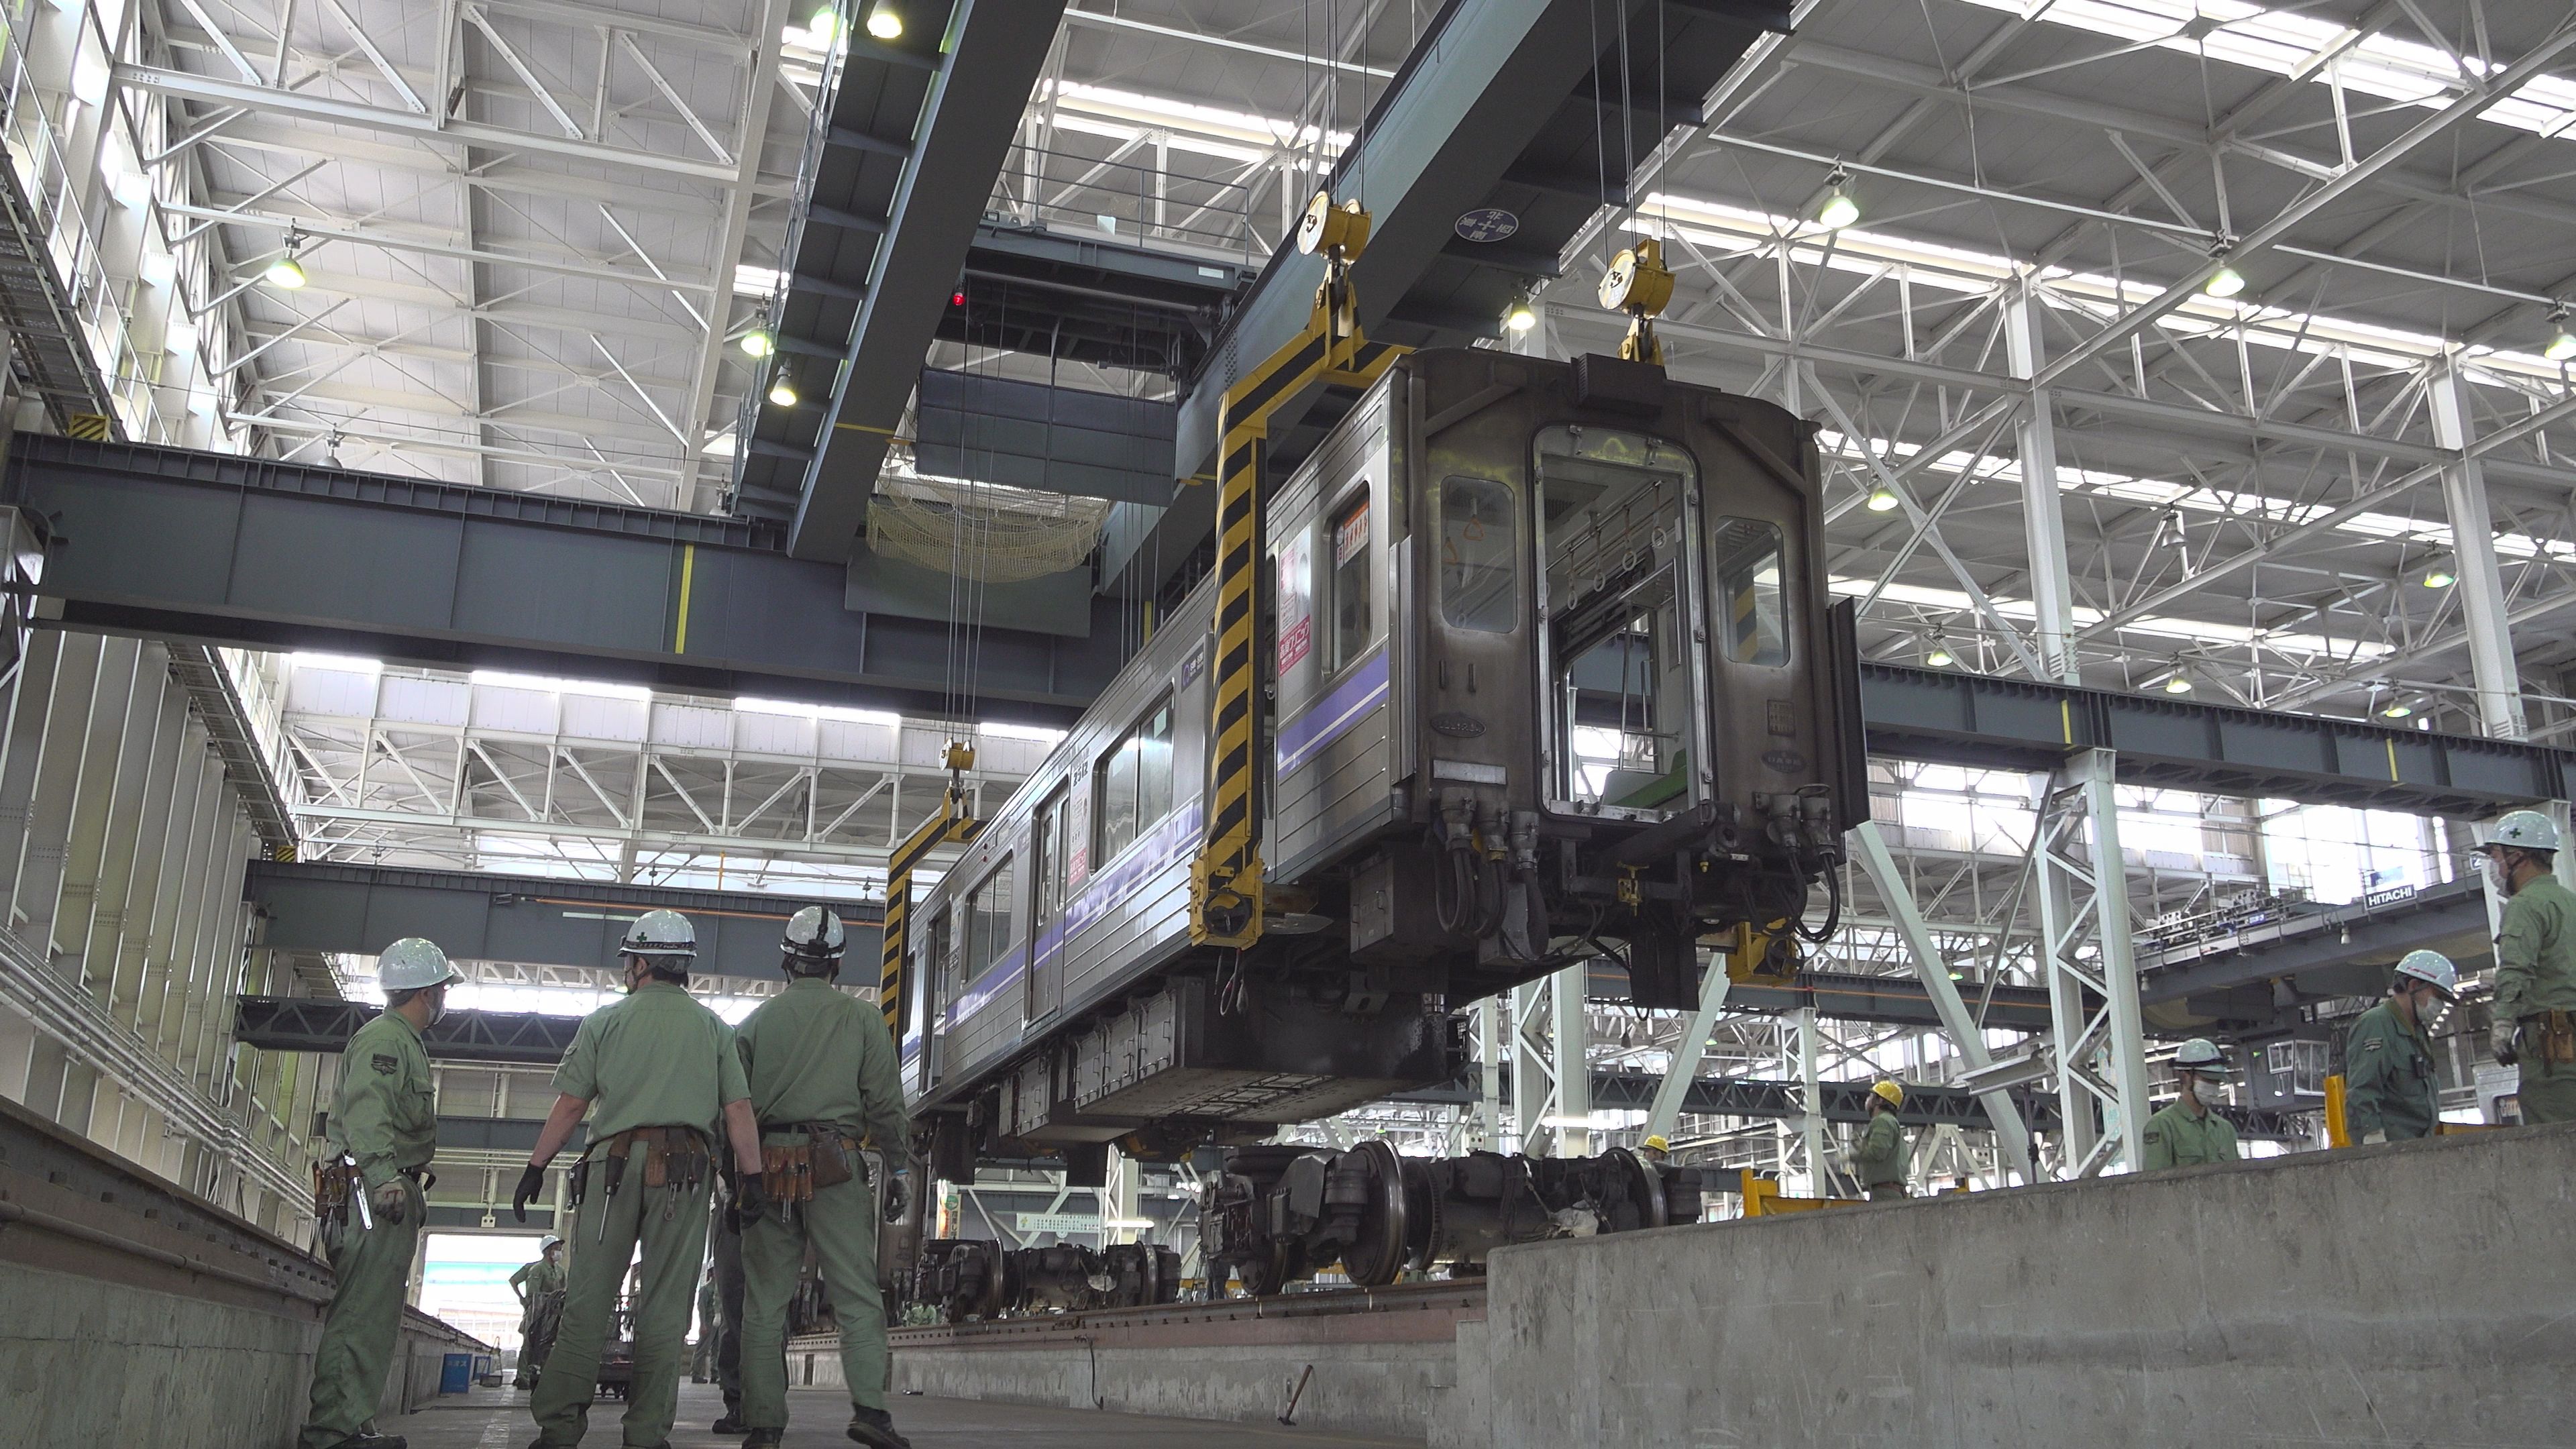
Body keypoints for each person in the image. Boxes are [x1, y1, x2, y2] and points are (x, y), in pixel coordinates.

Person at [509, 910, 767, 1449]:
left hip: (613, 1171)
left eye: (630, 960)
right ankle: (646, 1434)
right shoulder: (715, 1029)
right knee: (666, 1309)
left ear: (642, 963)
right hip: (686, 1173)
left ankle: (558, 1431)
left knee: (588, 1300)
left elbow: (572, 1104)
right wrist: (753, 1178)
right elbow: (738, 1111)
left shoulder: (605, 1022)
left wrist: (535, 1166)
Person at [732, 905, 916, 1449]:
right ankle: (870, 1413)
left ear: (786, 960)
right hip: (836, 1165)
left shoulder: (754, 1025)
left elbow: (733, 1109)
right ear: (837, 964)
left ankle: (764, 1425)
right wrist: (898, 1165)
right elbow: (884, 1103)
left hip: (767, 1165)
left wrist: (738, 1182)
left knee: (764, 1302)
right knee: (858, 1294)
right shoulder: (861, 1020)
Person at [297, 938, 460, 1449]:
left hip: (382, 1192)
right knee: (359, 1314)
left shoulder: (403, 1039)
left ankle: (354, 1420)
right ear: (429, 992)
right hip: (372, 1194)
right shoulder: (385, 1041)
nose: (443, 1000)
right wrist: (386, 1176)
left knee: (374, 1318)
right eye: (443, 991)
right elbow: (369, 1112)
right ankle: (330, 1432)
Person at [2479, 810, 2576, 1124]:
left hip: (2555, 1043)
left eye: (2496, 856)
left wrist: (2503, 1023)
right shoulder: (2570, 902)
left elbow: (2516, 970)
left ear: (2518, 856)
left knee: (2555, 1137)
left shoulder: (2525, 905)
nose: (2496, 867)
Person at [2343, 951, 2458, 1144]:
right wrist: (2372, 1134)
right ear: (2414, 986)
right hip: (2392, 1145)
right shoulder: (2376, 1025)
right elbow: (2362, 1089)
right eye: (2438, 996)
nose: (2441, 1005)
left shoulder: (2417, 1032)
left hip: (2419, 1144)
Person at [2141, 1038, 2241, 1170]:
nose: (2213, 1086)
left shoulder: (2225, 1129)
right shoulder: (2163, 1125)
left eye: (2217, 1081)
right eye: (2207, 1079)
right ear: (2186, 1076)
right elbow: (2155, 1183)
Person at [511, 1237, 568, 1387]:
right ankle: (524, 1378)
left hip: (554, 1313)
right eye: (557, 1248)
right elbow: (534, 1294)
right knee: (530, 1343)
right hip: (537, 1311)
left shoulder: (560, 1271)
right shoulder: (537, 1269)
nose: (560, 1252)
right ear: (549, 1251)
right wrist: (523, 1300)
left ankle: (544, 1375)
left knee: (548, 1344)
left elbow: (564, 1291)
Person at [1839, 1079, 1909, 1201]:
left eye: (1871, 1096)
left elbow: (1877, 1153)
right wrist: (1861, 1146)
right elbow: (1881, 1152)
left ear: (1880, 1100)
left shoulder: (1882, 1121)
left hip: (1885, 1193)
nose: (1867, 1100)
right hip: (1890, 1191)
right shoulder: (1890, 1121)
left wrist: (1850, 1157)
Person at [690, 1265, 720, 1383]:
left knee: (717, 1349)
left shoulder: (719, 1289)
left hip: (718, 1319)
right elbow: (701, 1308)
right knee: (703, 1348)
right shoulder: (706, 1289)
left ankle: (715, 1373)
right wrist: (702, 1324)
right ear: (711, 1273)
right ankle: (696, 1374)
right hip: (708, 1320)